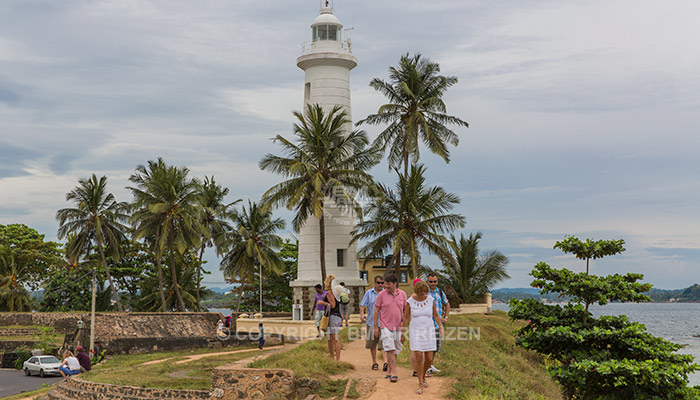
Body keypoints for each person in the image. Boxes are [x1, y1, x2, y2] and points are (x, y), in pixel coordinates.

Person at [403, 280, 443, 394]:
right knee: (419, 357)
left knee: (429, 358)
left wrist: (440, 326)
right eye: (420, 292)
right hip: (415, 330)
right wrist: (402, 332)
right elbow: (406, 318)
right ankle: (420, 382)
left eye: (424, 291)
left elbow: (435, 314)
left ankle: (424, 375)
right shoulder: (410, 301)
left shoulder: (430, 300)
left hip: (429, 330)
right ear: (416, 291)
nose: (422, 294)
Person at [373, 272, 407, 383]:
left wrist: (404, 326)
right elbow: (376, 310)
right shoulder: (381, 295)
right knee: (390, 348)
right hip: (385, 325)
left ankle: (389, 370)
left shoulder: (402, 294)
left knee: (396, 350)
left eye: (388, 284)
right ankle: (395, 373)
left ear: (395, 283)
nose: (386, 286)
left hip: (398, 326)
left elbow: (405, 311)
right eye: (385, 284)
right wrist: (375, 327)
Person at [426, 272, 450, 374]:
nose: (432, 283)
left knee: (435, 347)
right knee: (427, 347)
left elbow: (447, 304)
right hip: (427, 324)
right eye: (430, 281)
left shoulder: (440, 292)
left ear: (437, 281)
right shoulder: (424, 292)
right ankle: (426, 366)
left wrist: (446, 317)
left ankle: (430, 365)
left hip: (437, 324)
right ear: (428, 281)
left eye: (434, 281)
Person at [359, 275, 384, 370]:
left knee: (384, 345)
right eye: (378, 283)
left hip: (383, 322)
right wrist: (362, 314)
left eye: (382, 283)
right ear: (374, 283)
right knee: (372, 344)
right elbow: (362, 304)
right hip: (371, 322)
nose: (380, 285)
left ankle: (385, 362)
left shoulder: (386, 293)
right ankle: (374, 362)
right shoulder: (369, 293)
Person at [317, 274, 342, 361]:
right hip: (337, 316)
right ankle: (335, 358)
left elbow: (332, 305)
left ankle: (334, 358)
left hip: (332, 316)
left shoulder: (329, 293)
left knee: (333, 339)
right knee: (331, 338)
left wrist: (322, 302)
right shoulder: (336, 292)